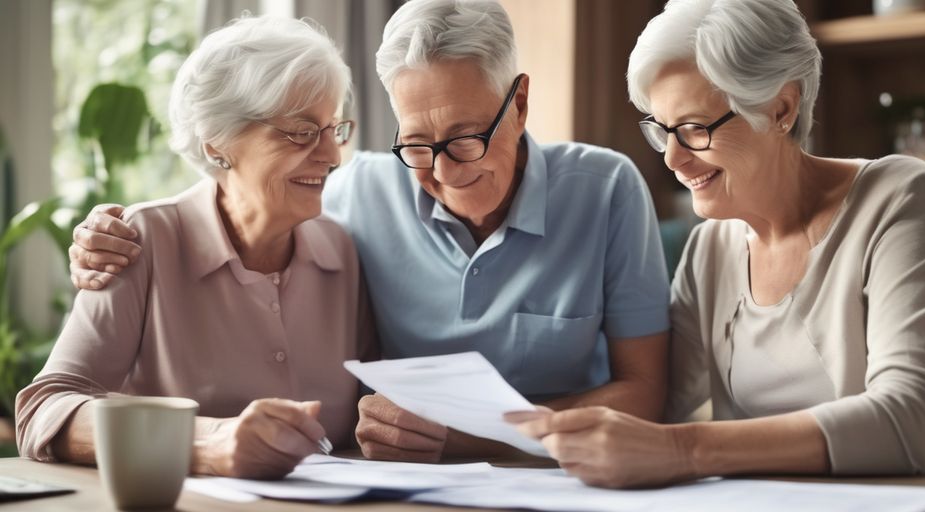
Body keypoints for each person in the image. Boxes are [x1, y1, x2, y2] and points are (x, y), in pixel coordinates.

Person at [65, 0, 670, 463]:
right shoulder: (352, 197)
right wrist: (106, 237)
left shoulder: (606, 189)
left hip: (565, 479)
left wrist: (465, 438)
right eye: (415, 143)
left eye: (466, 137)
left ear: (519, 104)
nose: (441, 170)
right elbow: (245, 199)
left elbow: (645, 393)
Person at [508, 0, 925, 489]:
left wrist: (682, 451)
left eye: (692, 129)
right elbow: (657, 408)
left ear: (781, 108)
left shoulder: (899, 195)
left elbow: (905, 420)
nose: (671, 159)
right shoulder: (708, 250)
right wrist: (504, 425)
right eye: (661, 130)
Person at [16, 15, 375, 479]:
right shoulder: (140, 241)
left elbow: (374, 411)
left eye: (334, 129)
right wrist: (207, 444)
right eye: (302, 132)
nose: (331, 156)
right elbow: (44, 409)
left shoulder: (341, 251)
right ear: (217, 144)